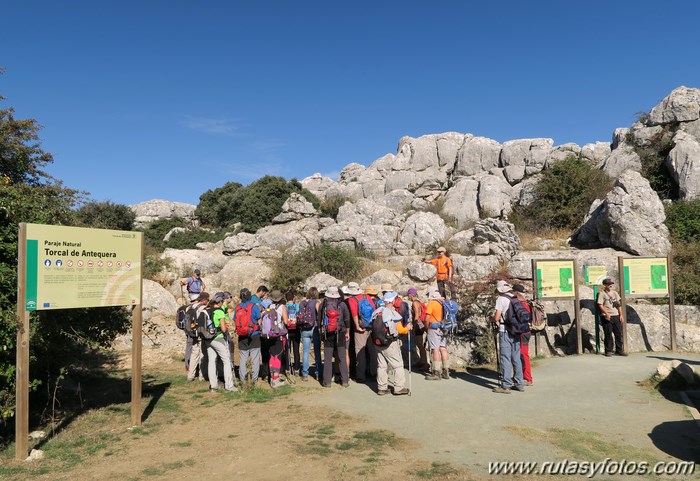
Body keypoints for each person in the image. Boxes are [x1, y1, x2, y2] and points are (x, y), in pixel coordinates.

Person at [373, 292, 410, 396]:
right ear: (392, 301)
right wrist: (407, 328)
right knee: (398, 365)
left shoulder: (376, 312)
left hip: (378, 342)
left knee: (381, 365)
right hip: (390, 343)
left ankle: (382, 388)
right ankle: (399, 387)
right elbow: (400, 330)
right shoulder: (392, 313)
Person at [491, 280, 524, 394]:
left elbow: (496, 317)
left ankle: (506, 385)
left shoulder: (501, 299)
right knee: (516, 357)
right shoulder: (515, 298)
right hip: (516, 330)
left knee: (505, 357)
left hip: (505, 331)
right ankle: (519, 383)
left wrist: (491, 319)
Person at [204, 293, 237, 392]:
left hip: (207, 338)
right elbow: (223, 329)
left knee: (211, 361)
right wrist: (226, 327)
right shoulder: (219, 312)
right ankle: (229, 386)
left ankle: (213, 386)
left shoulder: (207, 311)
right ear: (219, 302)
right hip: (218, 338)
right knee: (226, 360)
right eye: (222, 301)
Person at [319, 286, 351, 387]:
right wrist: (347, 332)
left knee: (328, 358)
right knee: (341, 356)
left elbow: (318, 320)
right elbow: (347, 319)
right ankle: (345, 381)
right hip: (340, 332)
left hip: (327, 333)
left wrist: (321, 332)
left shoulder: (323, 305)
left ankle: (327, 382)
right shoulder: (342, 304)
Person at [346, 281, 377, 383]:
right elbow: (374, 309)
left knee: (360, 351)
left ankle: (360, 376)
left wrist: (357, 326)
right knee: (372, 351)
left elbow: (354, 314)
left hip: (361, 328)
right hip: (371, 326)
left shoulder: (352, 299)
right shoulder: (366, 296)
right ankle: (374, 373)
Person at [234, 288, 262, 385]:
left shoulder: (237, 308)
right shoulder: (254, 306)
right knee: (255, 358)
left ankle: (243, 380)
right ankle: (254, 380)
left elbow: (235, 321)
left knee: (243, 358)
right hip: (254, 335)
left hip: (242, 335)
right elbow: (259, 320)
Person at [265, 290, 290, 388]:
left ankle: (272, 377)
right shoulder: (282, 307)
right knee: (278, 355)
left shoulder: (269, 307)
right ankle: (275, 379)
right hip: (279, 334)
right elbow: (286, 321)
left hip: (270, 334)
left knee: (272, 355)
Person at [424, 290, 450, 380]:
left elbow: (427, 318)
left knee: (435, 349)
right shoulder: (443, 303)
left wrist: (426, 327)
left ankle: (436, 372)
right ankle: (446, 371)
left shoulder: (432, 303)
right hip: (444, 327)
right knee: (443, 348)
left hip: (434, 328)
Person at [597, 278, 626, 357]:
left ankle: (619, 350)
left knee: (618, 334)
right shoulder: (602, 294)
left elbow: (618, 305)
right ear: (605, 285)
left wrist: (621, 315)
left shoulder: (615, 293)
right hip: (607, 316)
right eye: (608, 284)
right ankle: (608, 350)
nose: (610, 285)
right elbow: (600, 305)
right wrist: (606, 313)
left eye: (611, 284)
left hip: (616, 315)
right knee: (608, 334)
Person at [299, 287, 322, 381]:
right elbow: (319, 314)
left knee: (305, 351)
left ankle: (305, 373)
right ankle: (318, 373)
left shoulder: (302, 302)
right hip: (314, 328)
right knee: (317, 350)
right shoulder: (316, 302)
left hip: (304, 328)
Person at [512, 284, 533, 386]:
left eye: (513, 291)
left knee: (523, 355)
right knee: (522, 354)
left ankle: (527, 378)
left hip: (522, 332)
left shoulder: (521, 304)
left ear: (516, 292)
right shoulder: (525, 303)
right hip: (526, 332)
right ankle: (523, 376)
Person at [186, 292, 209, 382]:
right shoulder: (203, 308)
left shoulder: (192, 307)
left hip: (192, 333)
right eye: (207, 299)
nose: (208, 301)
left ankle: (190, 376)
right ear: (203, 300)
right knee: (202, 354)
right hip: (200, 334)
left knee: (194, 354)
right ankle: (201, 376)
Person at [407, 288, 430, 372]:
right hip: (422, 325)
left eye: (408, 294)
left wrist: (414, 325)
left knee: (419, 345)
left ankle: (425, 363)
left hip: (419, 325)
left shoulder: (415, 303)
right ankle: (423, 361)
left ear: (411, 294)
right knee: (420, 345)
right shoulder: (419, 302)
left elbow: (417, 315)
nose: (407, 296)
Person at [285, 292, 301, 374]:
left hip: (287, 329)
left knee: (287, 349)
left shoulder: (284, 307)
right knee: (296, 349)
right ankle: (297, 368)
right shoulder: (297, 306)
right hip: (296, 329)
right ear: (293, 298)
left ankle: (287, 368)